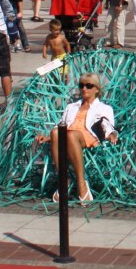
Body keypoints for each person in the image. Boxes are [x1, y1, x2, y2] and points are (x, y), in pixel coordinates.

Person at [35, 72, 118, 204]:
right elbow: (62, 125)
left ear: (97, 89)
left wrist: (112, 134)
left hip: (88, 136)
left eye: (89, 85)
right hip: (68, 134)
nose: (84, 88)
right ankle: (64, 180)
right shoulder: (71, 107)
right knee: (56, 132)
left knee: (71, 134)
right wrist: (48, 137)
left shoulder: (104, 108)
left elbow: (108, 125)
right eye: (81, 85)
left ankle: (81, 183)